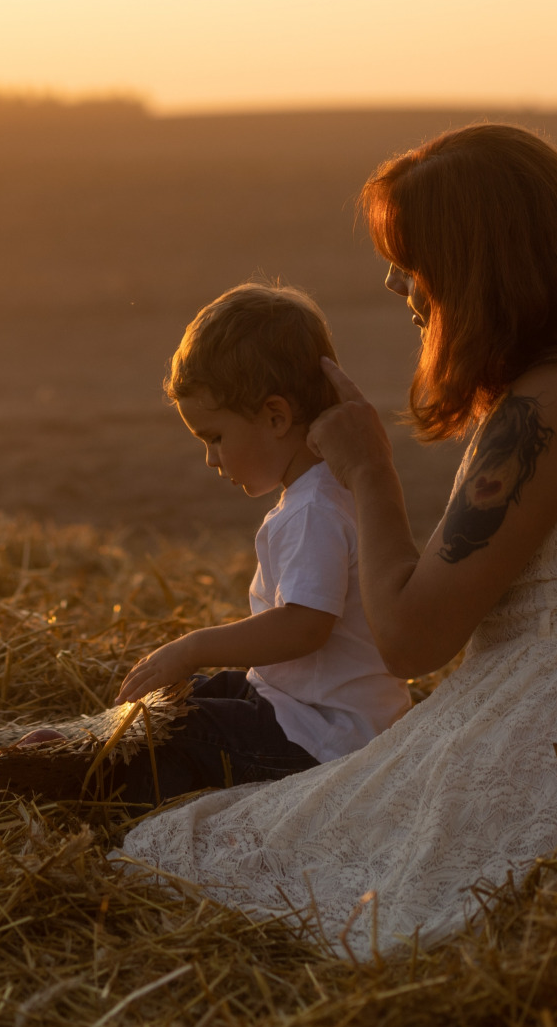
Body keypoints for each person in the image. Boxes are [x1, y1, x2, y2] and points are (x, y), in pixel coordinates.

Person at [117, 123, 557, 955]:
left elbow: (409, 639)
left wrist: (368, 470)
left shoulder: (548, 410)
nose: (394, 277)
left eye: (412, 254)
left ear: (480, 267)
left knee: (211, 849)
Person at [110, 282, 410, 806]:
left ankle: (95, 787)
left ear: (275, 417)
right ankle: (101, 750)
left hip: (321, 738)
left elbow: (304, 625)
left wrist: (193, 647)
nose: (211, 459)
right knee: (182, 701)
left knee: (178, 732)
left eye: (215, 437)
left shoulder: (313, 508)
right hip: (302, 708)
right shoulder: (327, 490)